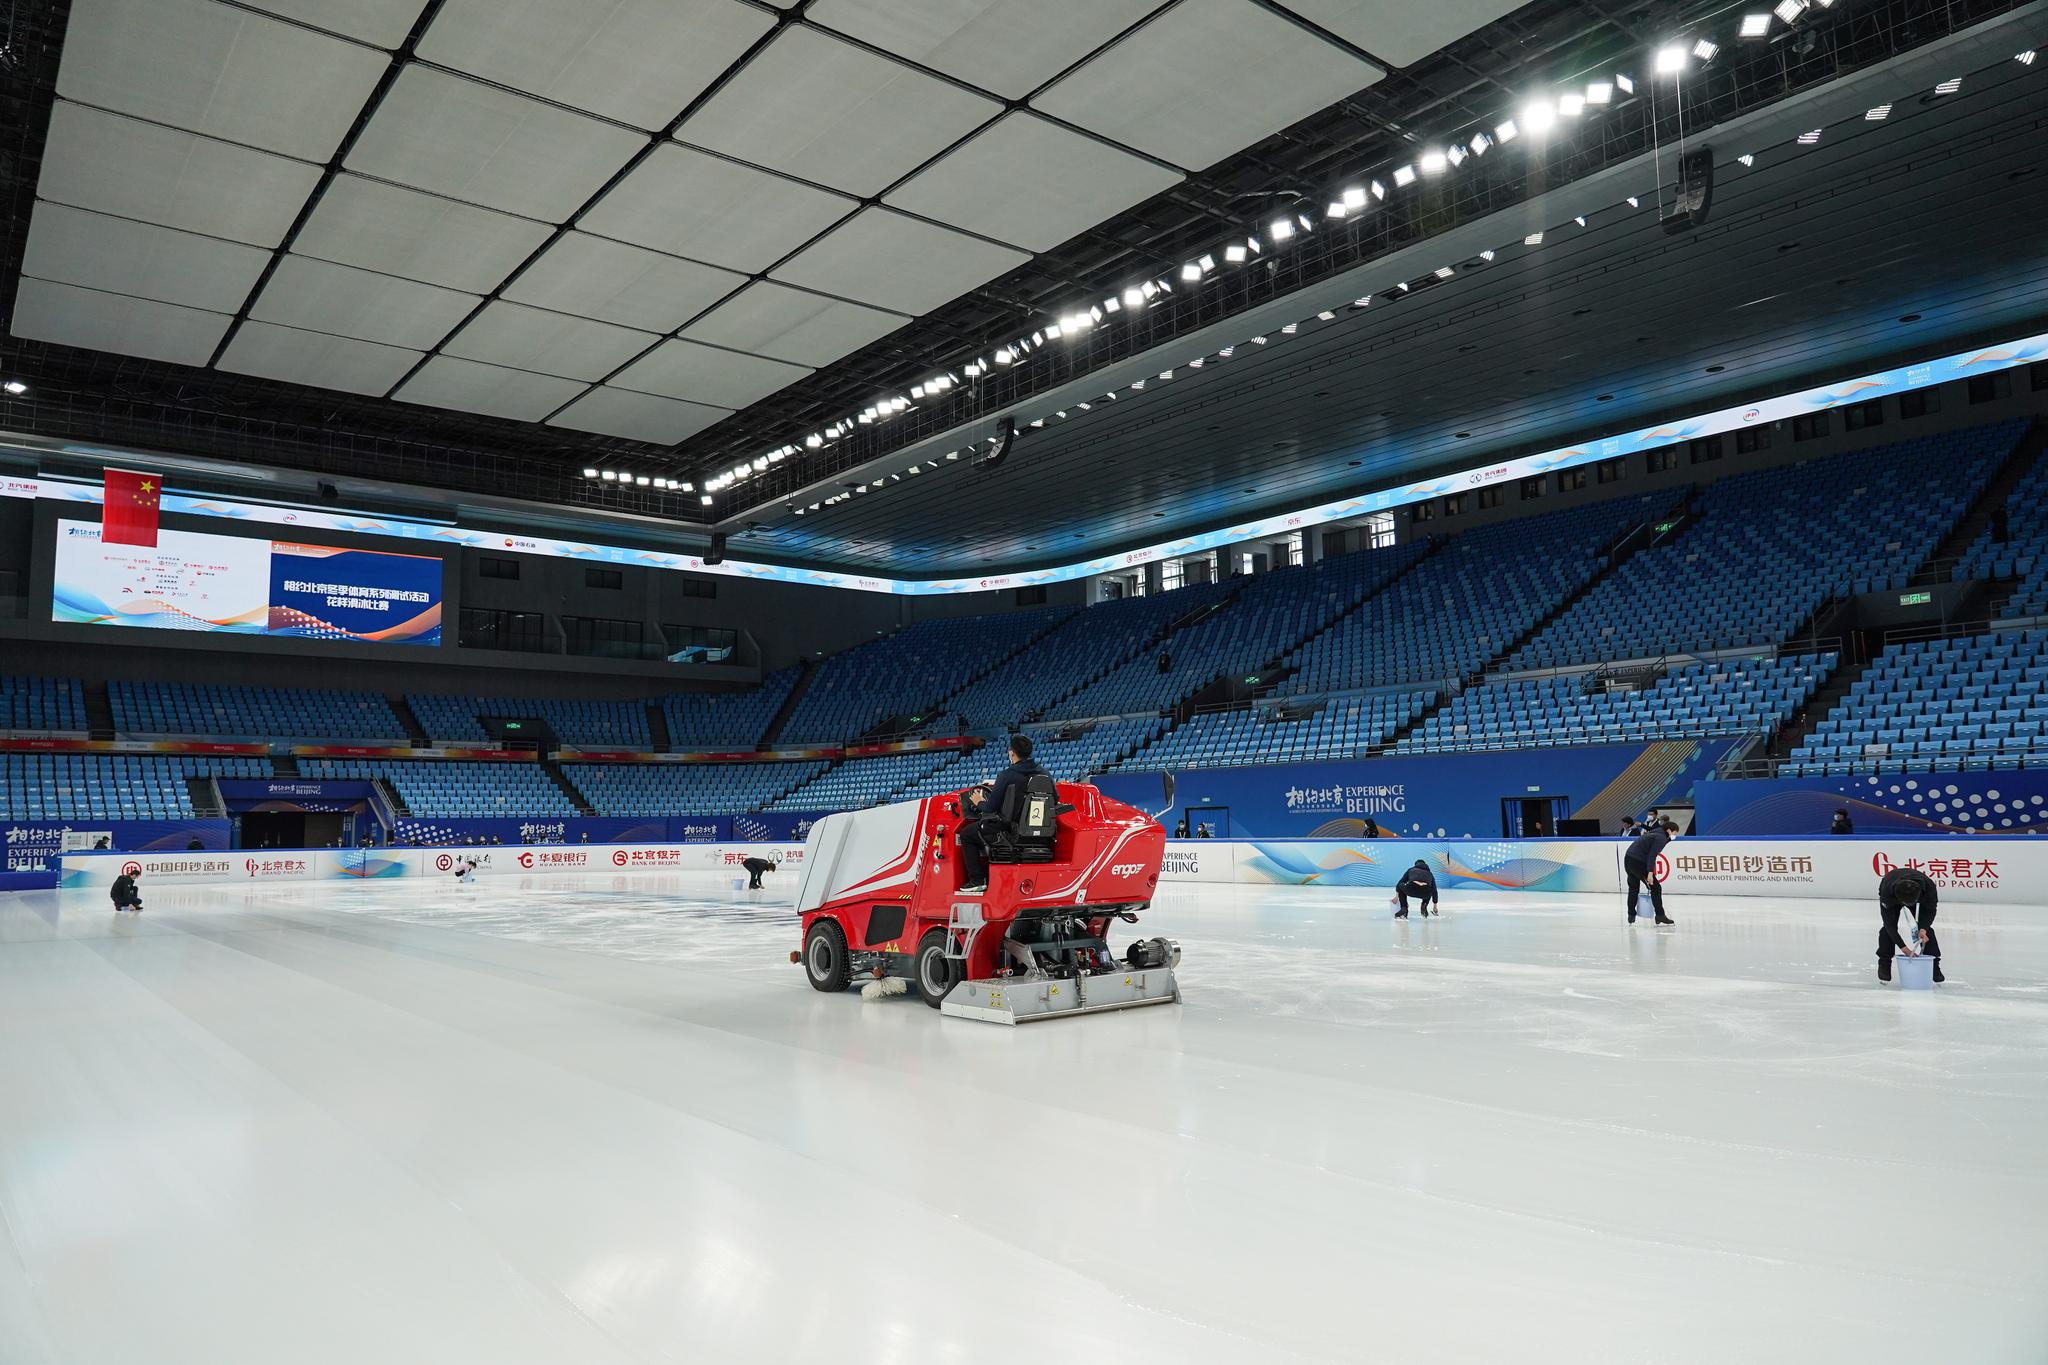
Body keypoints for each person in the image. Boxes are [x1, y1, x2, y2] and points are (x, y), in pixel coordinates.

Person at [956, 734, 1045, 893]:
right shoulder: (1044, 773)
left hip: (1008, 830)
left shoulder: (1007, 775)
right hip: (1040, 832)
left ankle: (977, 880)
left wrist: (978, 801)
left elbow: (990, 808)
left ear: (1012, 753)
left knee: (966, 834)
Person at [1877, 863, 1943, 983]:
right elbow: (1889, 925)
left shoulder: (1929, 888)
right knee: (1887, 930)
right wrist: (1904, 948)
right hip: (1892, 892)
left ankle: (1933, 965)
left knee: (1927, 931)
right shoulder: (1888, 891)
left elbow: (1930, 911)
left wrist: (1923, 928)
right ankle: (1884, 963)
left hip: (1919, 896)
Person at [1624, 818, 1679, 925]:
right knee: (1656, 888)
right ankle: (1660, 915)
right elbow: (1652, 856)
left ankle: (1631, 914)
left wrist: (1668, 839)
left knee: (1633, 887)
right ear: (1668, 831)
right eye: (1674, 833)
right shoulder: (1660, 838)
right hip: (1638, 862)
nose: (1675, 835)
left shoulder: (1657, 832)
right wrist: (1650, 873)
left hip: (1628, 859)